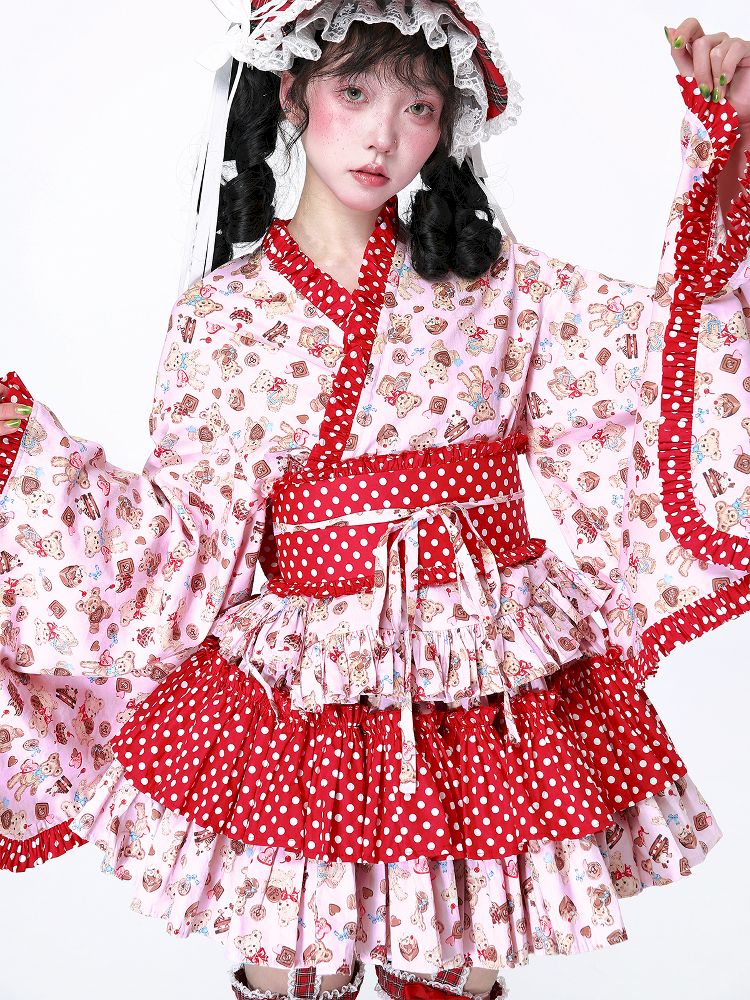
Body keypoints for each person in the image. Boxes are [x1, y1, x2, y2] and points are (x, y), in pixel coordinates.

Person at [1, 3, 750, 999]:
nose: (382, 136)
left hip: (483, 686)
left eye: (419, 107)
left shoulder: (505, 286)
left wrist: (726, 150)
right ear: (292, 93)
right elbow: (185, 540)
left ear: (447, 127)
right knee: (295, 963)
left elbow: (668, 367)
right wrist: (27, 465)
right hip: (310, 694)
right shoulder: (223, 315)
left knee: (455, 958)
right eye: (355, 92)